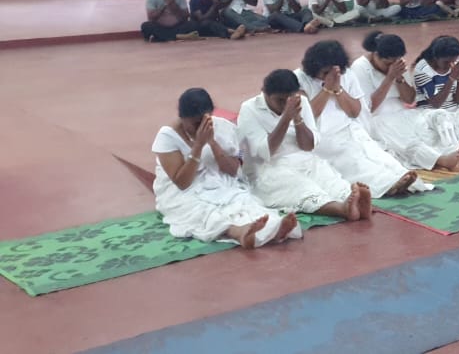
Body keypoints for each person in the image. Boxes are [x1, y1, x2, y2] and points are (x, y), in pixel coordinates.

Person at [153, 88, 301, 248]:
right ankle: (240, 233)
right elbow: (182, 183)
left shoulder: (223, 127)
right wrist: (198, 146)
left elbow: (232, 170)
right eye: (195, 123)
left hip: (219, 181)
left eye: (205, 120)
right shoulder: (167, 136)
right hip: (182, 191)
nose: (200, 127)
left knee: (241, 200)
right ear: (182, 118)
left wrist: (212, 143)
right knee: (204, 210)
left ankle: (274, 228)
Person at [294, 41, 428, 198]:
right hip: (320, 137)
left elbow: (354, 111)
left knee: (377, 155)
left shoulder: (345, 75)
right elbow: (308, 115)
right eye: (325, 73)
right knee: (353, 160)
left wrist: (338, 89)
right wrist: (326, 89)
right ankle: (386, 185)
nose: (329, 76)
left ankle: (400, 178)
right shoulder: (298, 78)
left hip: (348, 129)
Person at [237, 69, 370, 221]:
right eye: (279, 100)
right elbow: (265, 151)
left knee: (330, 181)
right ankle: (341, 209)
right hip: (269, 168)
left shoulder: (301, 102)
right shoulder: (249, 109)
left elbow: (308, 146)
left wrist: (297, 119)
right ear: (264, 93)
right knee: (303, 188)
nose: (284, 105)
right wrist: (286, 118)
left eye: (289, 99)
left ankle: (354, 203)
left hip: (303, 160)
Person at [350, 32, 459, 170]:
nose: (391, 67)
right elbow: (368, 108)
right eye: (387, 63)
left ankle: (457, 153)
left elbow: (409, 99)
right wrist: (389, 78)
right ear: (375, 55)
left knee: (439, 117)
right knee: (407, 140)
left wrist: (399, 78)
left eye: (395, 62)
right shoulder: (360, 68)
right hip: (378, 119)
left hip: (403, 113)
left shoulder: (397, 65)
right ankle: (441, 160)